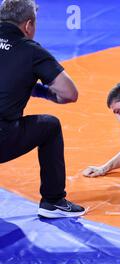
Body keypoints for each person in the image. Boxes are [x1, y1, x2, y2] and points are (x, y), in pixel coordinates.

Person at [0, 0, 85, 218]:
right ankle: (53, 200)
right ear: (28, 25)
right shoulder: (31, 52)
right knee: (50, 126)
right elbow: (69, 93)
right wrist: (38, 90)